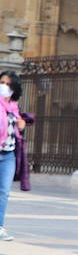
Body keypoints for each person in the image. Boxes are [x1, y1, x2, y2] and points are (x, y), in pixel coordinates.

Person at [0, 70, 22, 241]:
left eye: (8, 84)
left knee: (4, 192)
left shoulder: (14, 108)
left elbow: (14, 129)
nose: (4, 87)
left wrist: (20, 124)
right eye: (2, 82)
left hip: (8, 155)